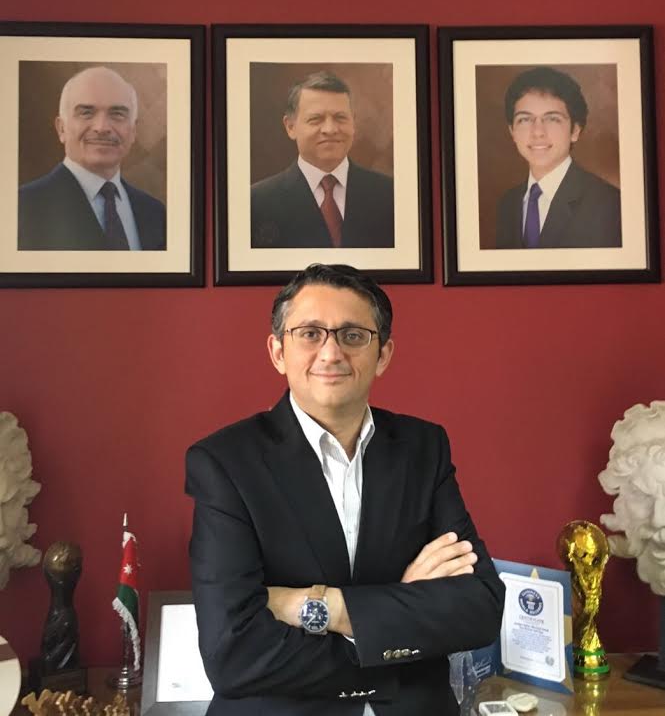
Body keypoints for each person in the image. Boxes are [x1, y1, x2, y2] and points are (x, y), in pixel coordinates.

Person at [186, 263, 504, 715]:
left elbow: (481, 608)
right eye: (310, 334)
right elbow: (233, 653)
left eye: (353, 335)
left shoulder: (423, 447)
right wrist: (397, 618)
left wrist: (327, 607)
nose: (331, 352)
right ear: (278, 352)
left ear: (384, 354)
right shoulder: (224, 462)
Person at [18, 66, 166, 251]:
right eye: (86, 113)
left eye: (117, 114)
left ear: (133, 131)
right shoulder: (22, 208)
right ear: (61, 128)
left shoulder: (155, 213)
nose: (102, 127)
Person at [251, 71, 394, 248]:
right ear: (290, 127)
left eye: (340, 118)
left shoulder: (391, 194)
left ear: (353, 123)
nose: (330, 129)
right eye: (316, 119)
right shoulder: (256, 203)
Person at [495, 66, 621, 249]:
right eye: (525, 119)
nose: (538, 132)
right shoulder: (507, 204)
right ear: (512, 131)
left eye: (552, 119)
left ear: (575, 131)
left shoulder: (610, 205)